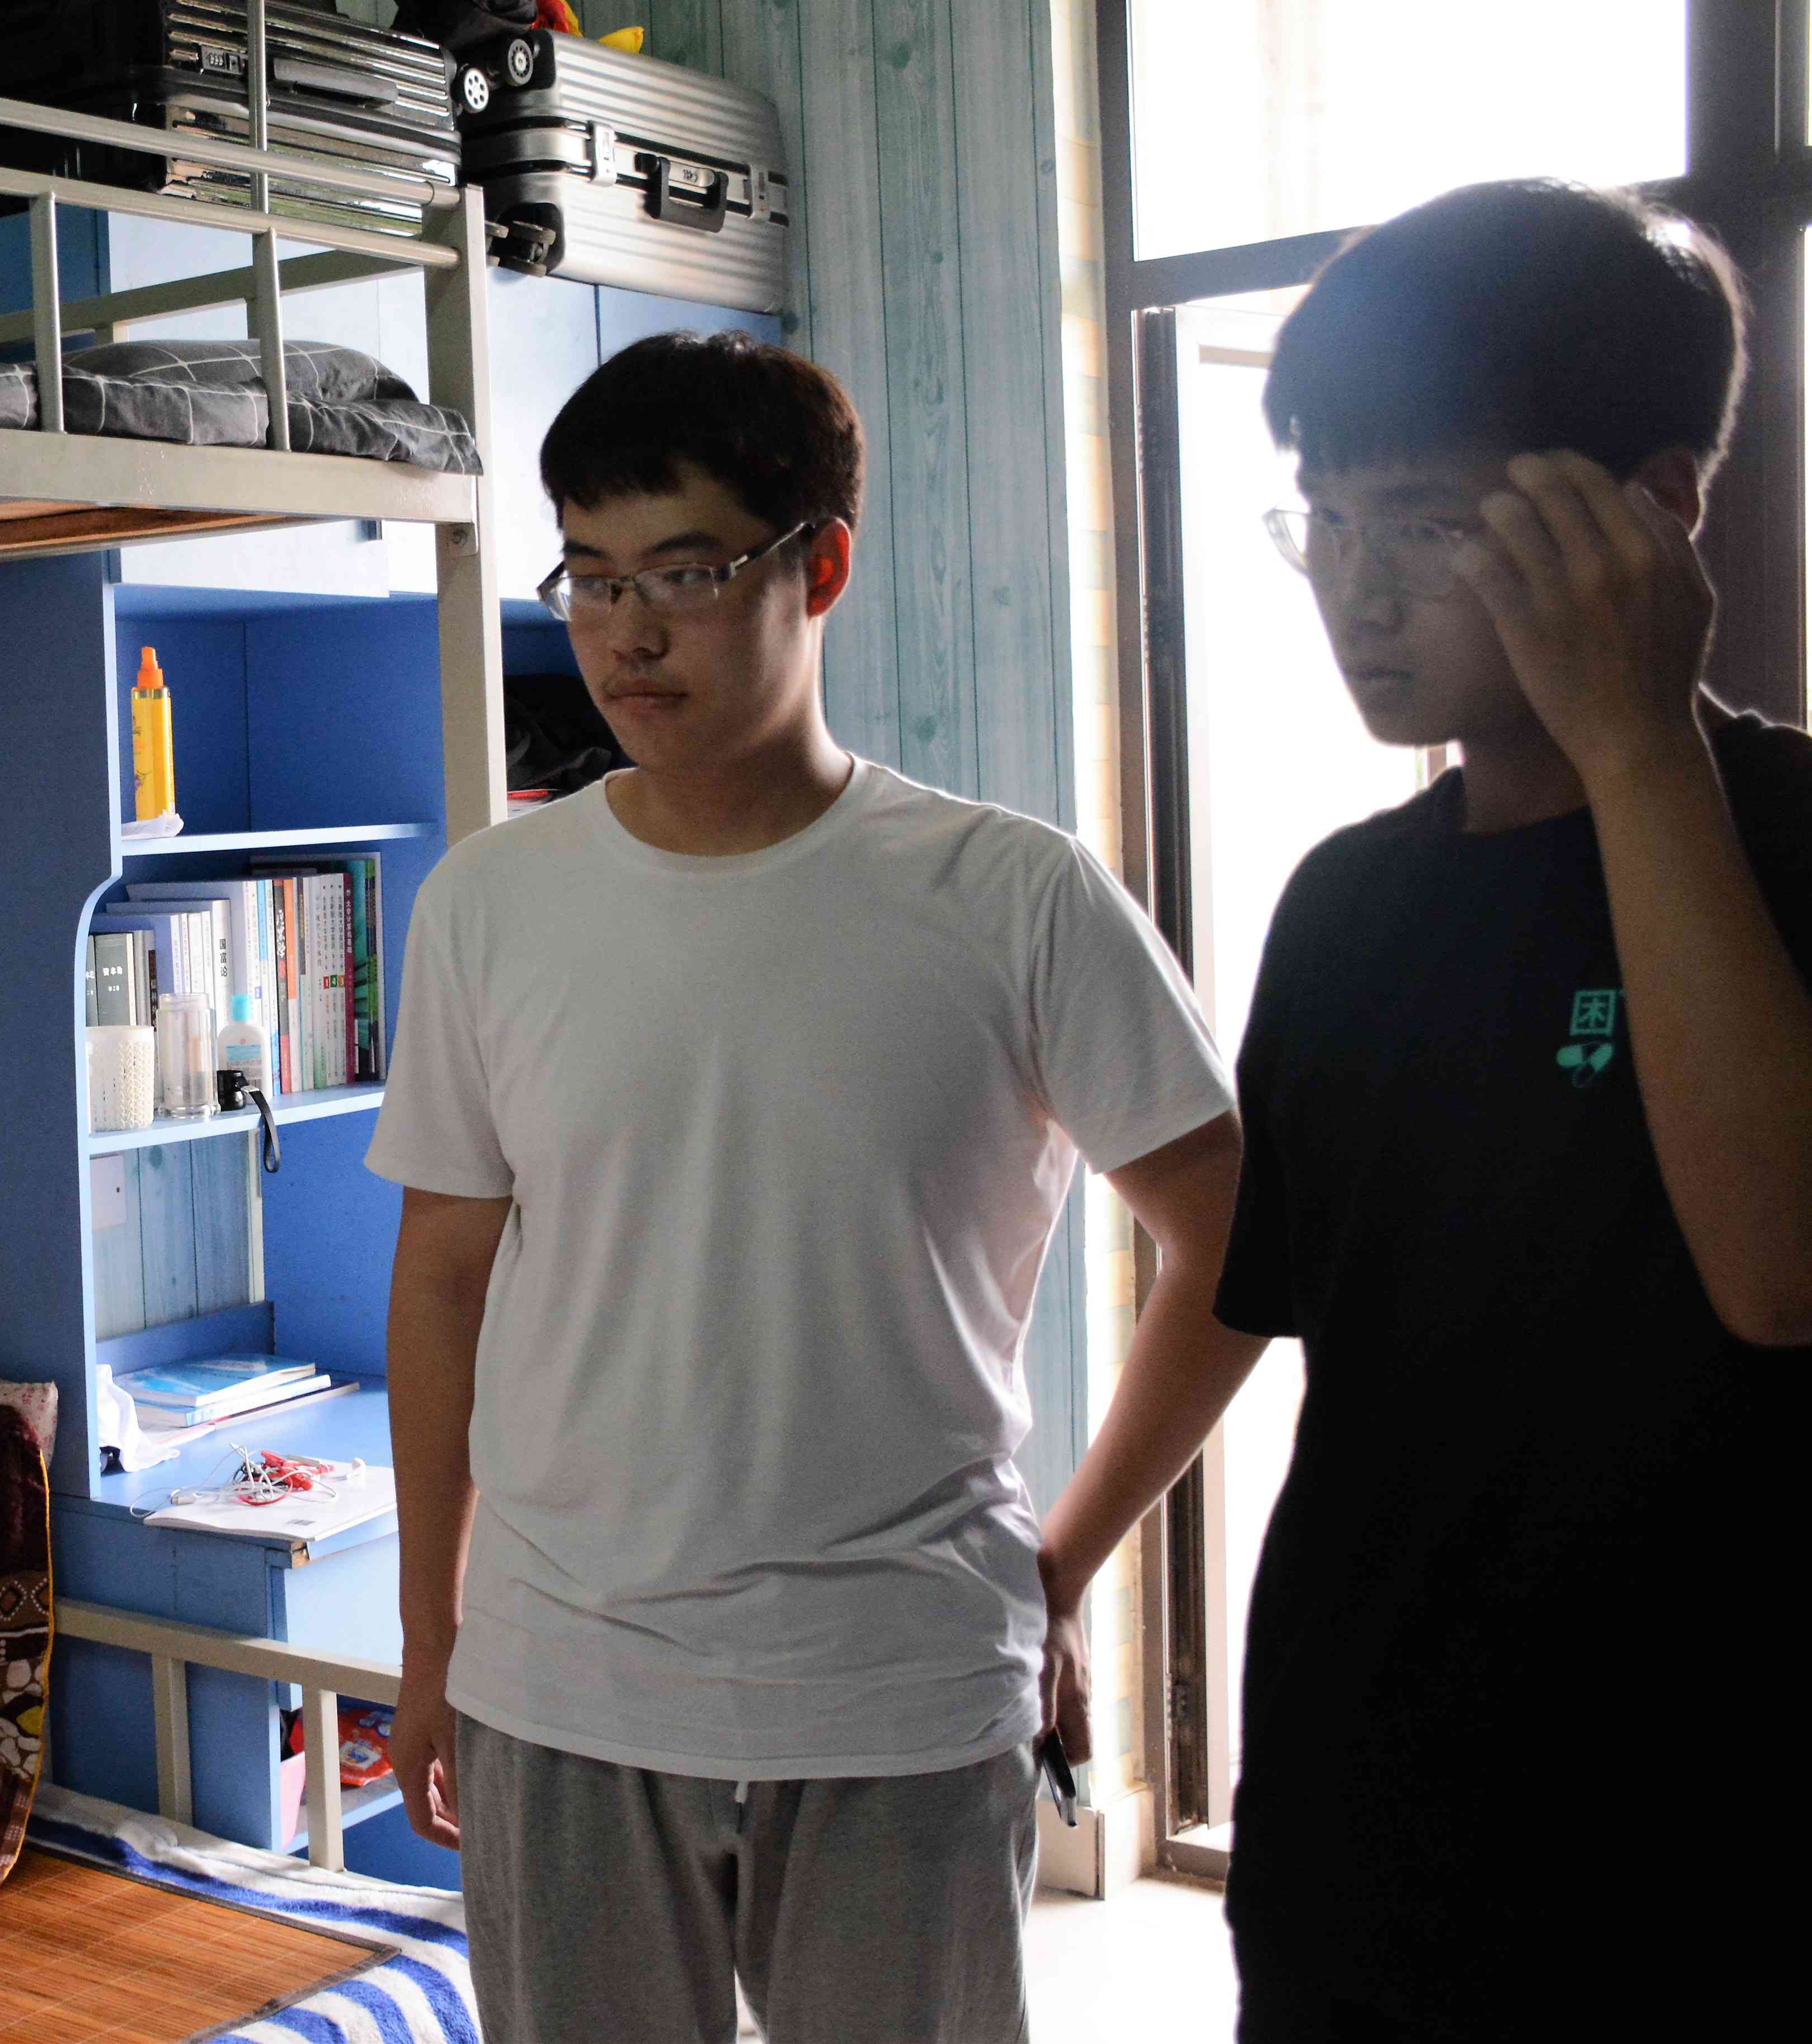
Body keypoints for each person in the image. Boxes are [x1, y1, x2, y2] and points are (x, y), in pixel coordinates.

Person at [367, 330, 1261, 2042]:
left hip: (899, 1688)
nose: (627, 633)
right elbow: (443, 1283)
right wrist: (432, 1643)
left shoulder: (1012, 895)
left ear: (821, 564)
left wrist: (1062, 1561)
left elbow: (1232, 1245)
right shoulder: (491, 904)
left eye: (686, 572)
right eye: (592, 577)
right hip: (562, 1682)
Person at [1121, 179, 1801, 2040]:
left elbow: (1779, 1276)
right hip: (1358, 1817)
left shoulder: (1797, 847)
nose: (1360, 591)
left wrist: (1638, 742)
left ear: (1655, 509)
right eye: (1328, 520)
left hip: (1711, 1854)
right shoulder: (1349, 902)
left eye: (1427, 522)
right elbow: (1286, 1317)